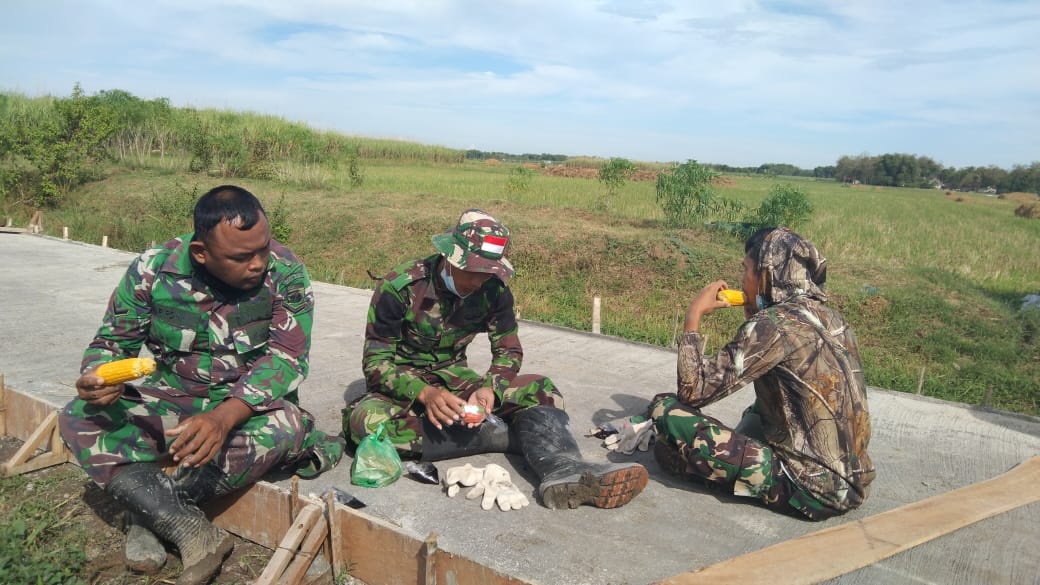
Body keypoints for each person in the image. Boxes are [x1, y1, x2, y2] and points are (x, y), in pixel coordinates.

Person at [58, 185, 344, 585]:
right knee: (79, 416)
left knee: (287, 427)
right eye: (242, 256)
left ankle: (147, 513)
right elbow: (112, 342)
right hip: (170, 403)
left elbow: (286, 360)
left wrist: (224, 418)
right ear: (201, 254)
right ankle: (191, 529)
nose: (259, 263)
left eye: (263, 247)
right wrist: (99, 376)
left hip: (246, 412)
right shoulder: (152, 269)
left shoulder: (287, 272)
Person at [343, 209, 647, 509]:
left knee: (543, 390)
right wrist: (424, 393)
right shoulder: (401, 286)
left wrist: (490, 388)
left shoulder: (495, 291)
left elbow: (508, 350)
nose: (478, 281)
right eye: (472, 270)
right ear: (451, 256)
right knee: (367, 425)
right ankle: (504, 435)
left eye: (487, 272)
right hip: (401, 386)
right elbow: (376, 362)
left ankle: (564, 468)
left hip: (455, 378)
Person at [648, 227, 875, 520]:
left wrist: (694, 318)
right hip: (854, 481)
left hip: (809, 490)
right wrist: (754, 311)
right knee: (758, 407)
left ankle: (709, 469)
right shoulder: (833, 319)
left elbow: (693, 392)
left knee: (665, 409)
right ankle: (731, 458)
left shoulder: (773, 325)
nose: (742, 280)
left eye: (746, 271)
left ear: (766, 275)